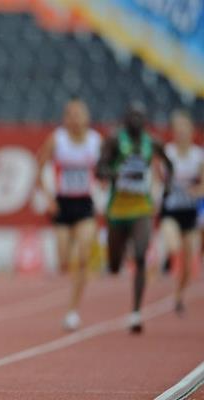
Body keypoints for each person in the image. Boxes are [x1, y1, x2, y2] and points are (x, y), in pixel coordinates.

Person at [96, 101, 173, 334]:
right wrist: (114, 173)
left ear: (145, 119)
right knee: (114, 264)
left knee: (140, 256)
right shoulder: (114, 140)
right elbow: (99, 168)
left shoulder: (153, 142)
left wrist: (167, 187)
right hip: (117, 210)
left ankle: (136, 312)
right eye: (133, 116)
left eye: (141, 116)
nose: (137, 120)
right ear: (126, 119)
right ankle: (118, 257)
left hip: (142, 208)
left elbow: (170, 165)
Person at [36, 98, 101, 331]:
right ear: (65, 118)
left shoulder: (95, 141)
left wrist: (103, 184)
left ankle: (73, 310)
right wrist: (47, 197)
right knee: (64, 261)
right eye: (70, 114)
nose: (74, 119)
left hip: (84, 203)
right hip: (62, 204)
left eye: (79, 114)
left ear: (86, 117)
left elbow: (104, 170)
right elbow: (40, 166)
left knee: (83, 256)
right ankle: (67, 265)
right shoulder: (58, 139)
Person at [159, 109, 204, 315]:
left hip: (189, 212)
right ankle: (166, 261)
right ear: (174, 132)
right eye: (178, 129)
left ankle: (178, 296)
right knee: (173, 243)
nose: (182, 133)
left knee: (187, 263)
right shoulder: (167, 153)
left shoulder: (198, 156)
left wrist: (193, 190)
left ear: (191, 131)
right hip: (170, 211)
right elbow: (157, 177)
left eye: (185, 129)